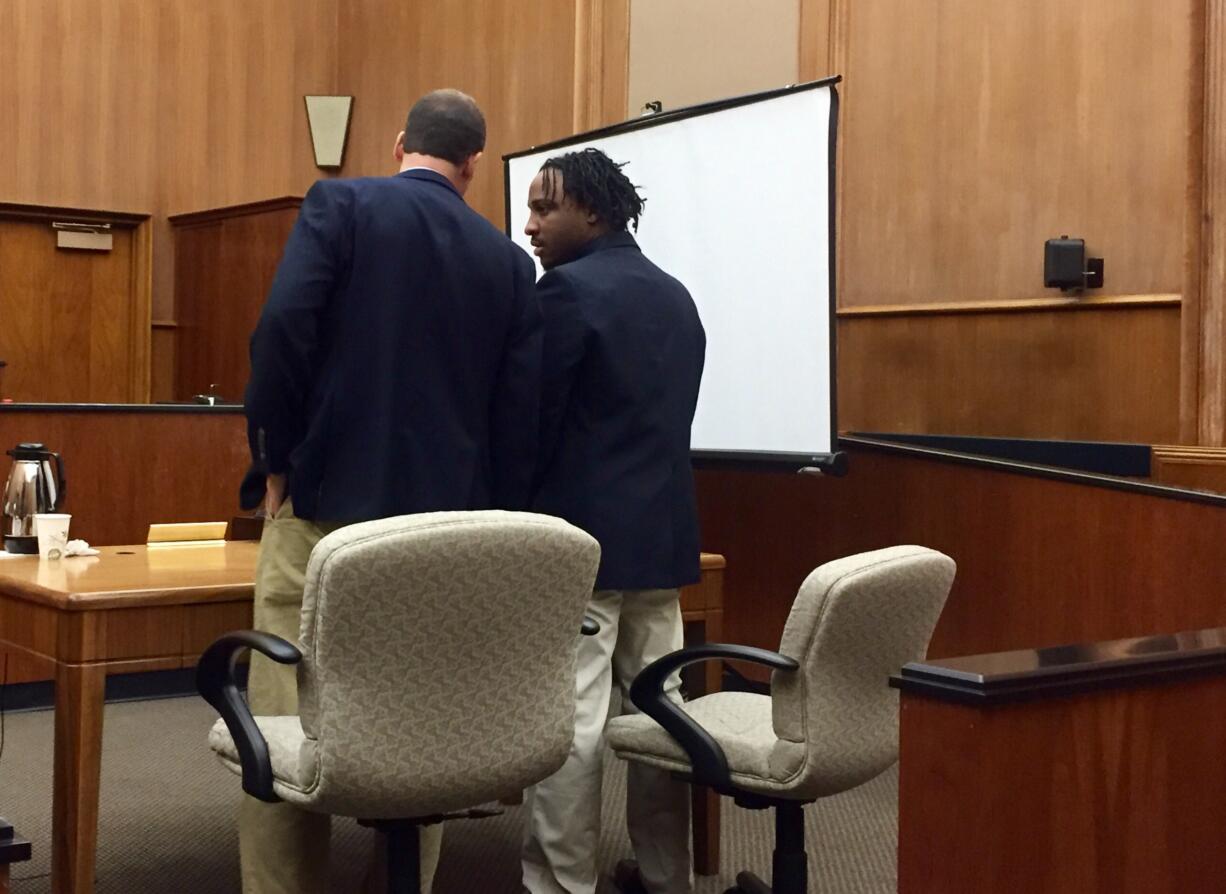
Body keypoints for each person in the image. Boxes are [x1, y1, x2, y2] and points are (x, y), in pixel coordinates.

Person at [239, 88, 541, 894]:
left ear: (399, 140)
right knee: (421, 722)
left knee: (280, 724)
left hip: (327, 508)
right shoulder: (509, 261)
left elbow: (279, 332)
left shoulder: (341, 203)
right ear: (474, 165)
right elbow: (517, 410)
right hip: (443, 529)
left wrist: (274, 459)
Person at [520, 148, 706, 894]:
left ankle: (561, 886)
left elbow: (534, 426)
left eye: (543, 208)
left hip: (582, 553)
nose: (529, 225)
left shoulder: (564, 295)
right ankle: (667, 878)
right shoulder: (675, 295)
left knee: (572, 726)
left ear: (591, 212)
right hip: (660, 543)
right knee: (664, 719)